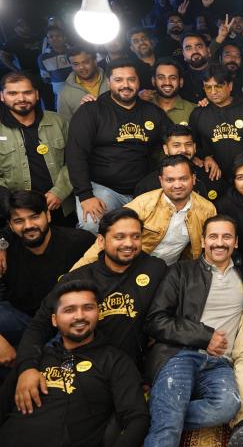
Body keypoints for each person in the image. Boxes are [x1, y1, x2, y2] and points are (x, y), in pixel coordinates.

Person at [13, 208, 169, 413]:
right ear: (101, 241)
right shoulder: (77, 279)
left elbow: (169, 313)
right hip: (84, 369)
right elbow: (39, 325)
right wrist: (27, 368)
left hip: (131, 371)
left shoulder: (155, 268)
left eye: (135, 236)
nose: (129, 243)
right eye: (119, 237)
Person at [144, 215, 243, 447]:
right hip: (179, 354)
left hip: (220, 363)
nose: (219, 243)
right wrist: (204, 336)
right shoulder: (181, 271)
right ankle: (166, 418)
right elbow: (155, 320)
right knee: (168, 431)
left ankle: (162, 412)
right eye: (213, 237)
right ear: (203, 241)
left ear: (236, 242)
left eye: (227, 237)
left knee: (227, 406)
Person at [0, 280, 149, 447]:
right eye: (69, 310)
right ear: (54, 320)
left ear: (98, 312)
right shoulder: (34, 360)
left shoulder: (115, 361)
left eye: (88, 308)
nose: (79, 316)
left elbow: (137, 418)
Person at [66, 59, 172, 234]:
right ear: (109, 82)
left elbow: (175, 137)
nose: (125, 85)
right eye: (118, 80)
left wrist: (202, 155)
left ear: (138, 82)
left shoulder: (152, 112)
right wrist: (85, 195)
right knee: (92, 225)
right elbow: (75, 154)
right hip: (103, 189)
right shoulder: (91, 111)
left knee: (158, 230)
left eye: (131, 79)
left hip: (144, 190)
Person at [0, 191, 95, 370]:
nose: (28, 226)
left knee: (50, 365)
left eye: (35, 217)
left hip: (67, 321)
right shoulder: (5, 251)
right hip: (22, 317)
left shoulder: (80, 242)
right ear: (10, 226)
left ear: (48, 215)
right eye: (19, 221)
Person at [74, 155, 217, 267]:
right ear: (161, 181)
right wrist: (75, 274)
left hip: (173, 270)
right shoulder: (143, 204)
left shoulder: (207, 210)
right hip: (134, 267)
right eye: (170, 180)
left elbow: (212, 248)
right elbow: (106, 240)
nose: (177, 185)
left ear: (193, 179)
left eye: (183, 179)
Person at [0, 72, 75, 220]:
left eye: (27, 92)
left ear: (37, 94)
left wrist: (59, 191)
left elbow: (75, 160)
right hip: (18, 213)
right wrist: (14, 202)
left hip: (61, 205)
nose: (21, 99)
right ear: (2, 96)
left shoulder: (57, 121)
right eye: (13, 93)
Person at [189, 65, 243, 186]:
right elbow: (191, 144)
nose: (213, 92)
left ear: (230, 86)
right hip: (215, 181)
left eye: (218, 86)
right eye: (208, 87)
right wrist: (205, 157)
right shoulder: (198, 113)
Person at [133, 124, 225, 200]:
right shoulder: (147, 185)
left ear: (194, 147)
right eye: (176, 145)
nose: (183, 150)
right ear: (166, 149)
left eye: (188, 144)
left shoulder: (212, 176)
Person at [59, 46, 108, 123]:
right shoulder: (65, 94)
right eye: (76, 64)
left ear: (95, 61)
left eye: (85, 62)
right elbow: (65, 124)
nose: (81, 67)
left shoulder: (112, 81)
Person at [149, 58, 196, 126]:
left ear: (181, 82)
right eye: (161, 78)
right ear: (153, 81)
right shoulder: (142, 109)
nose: (167, 82)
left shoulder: (194, 110)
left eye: (173, 78)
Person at [179, 32, 212, 103]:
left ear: (208, 50)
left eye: (199, 47)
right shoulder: (180, 79)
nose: (194, 51)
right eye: (188, 48)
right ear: (183, 54)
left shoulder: (223, 73)